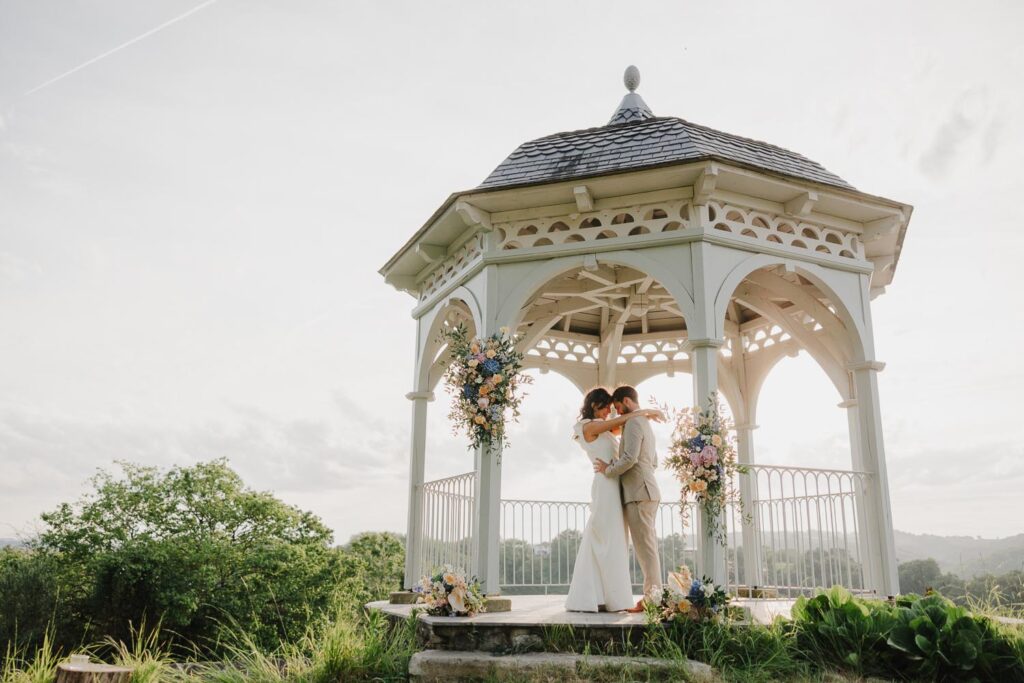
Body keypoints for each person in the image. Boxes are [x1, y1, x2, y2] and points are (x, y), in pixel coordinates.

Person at [565, 387, 664, 613]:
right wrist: (644, 412)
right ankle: (596, 595)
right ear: (594, 405)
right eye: (608, 408)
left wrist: (642, 414)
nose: (611, 412)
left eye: (615, 407)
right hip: (607, 485)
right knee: (604, 538)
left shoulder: (622, 425)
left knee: (615, 542)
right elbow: (624, 421)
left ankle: (613, 596)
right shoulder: (588, 427)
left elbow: (629, 432)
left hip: (622, 486)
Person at [593, 385, 663, 613]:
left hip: (639, 493)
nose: (617, 412)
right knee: (647, 547)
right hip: (646, 490)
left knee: (645, 549)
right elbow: (653, 461)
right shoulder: (645, 423)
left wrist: (608, 469)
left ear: (626, 401)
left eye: (617, 407)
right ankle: (654, 596)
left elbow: (630, 458)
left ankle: (652, 599)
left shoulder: (633, 422)